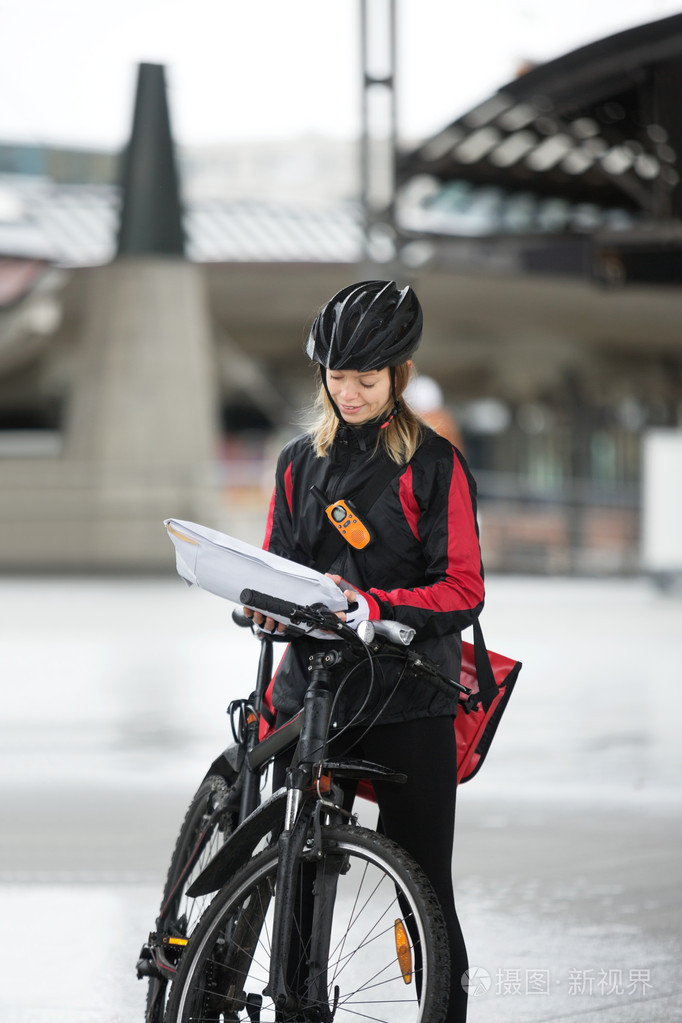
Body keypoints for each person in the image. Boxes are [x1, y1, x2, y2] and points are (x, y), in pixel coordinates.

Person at [244, 279, 484, 1022]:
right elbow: (275, 567)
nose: (348, 393)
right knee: (298, 873)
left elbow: (463, 589)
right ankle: (294, 1008)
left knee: (425, 890)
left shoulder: (435, 464)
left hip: (409, 697)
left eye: (366, 379)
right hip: (313, 697)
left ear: (398, 376)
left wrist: (376, 606)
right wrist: (258, 600)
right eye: (337, 376)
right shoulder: (296, 463)